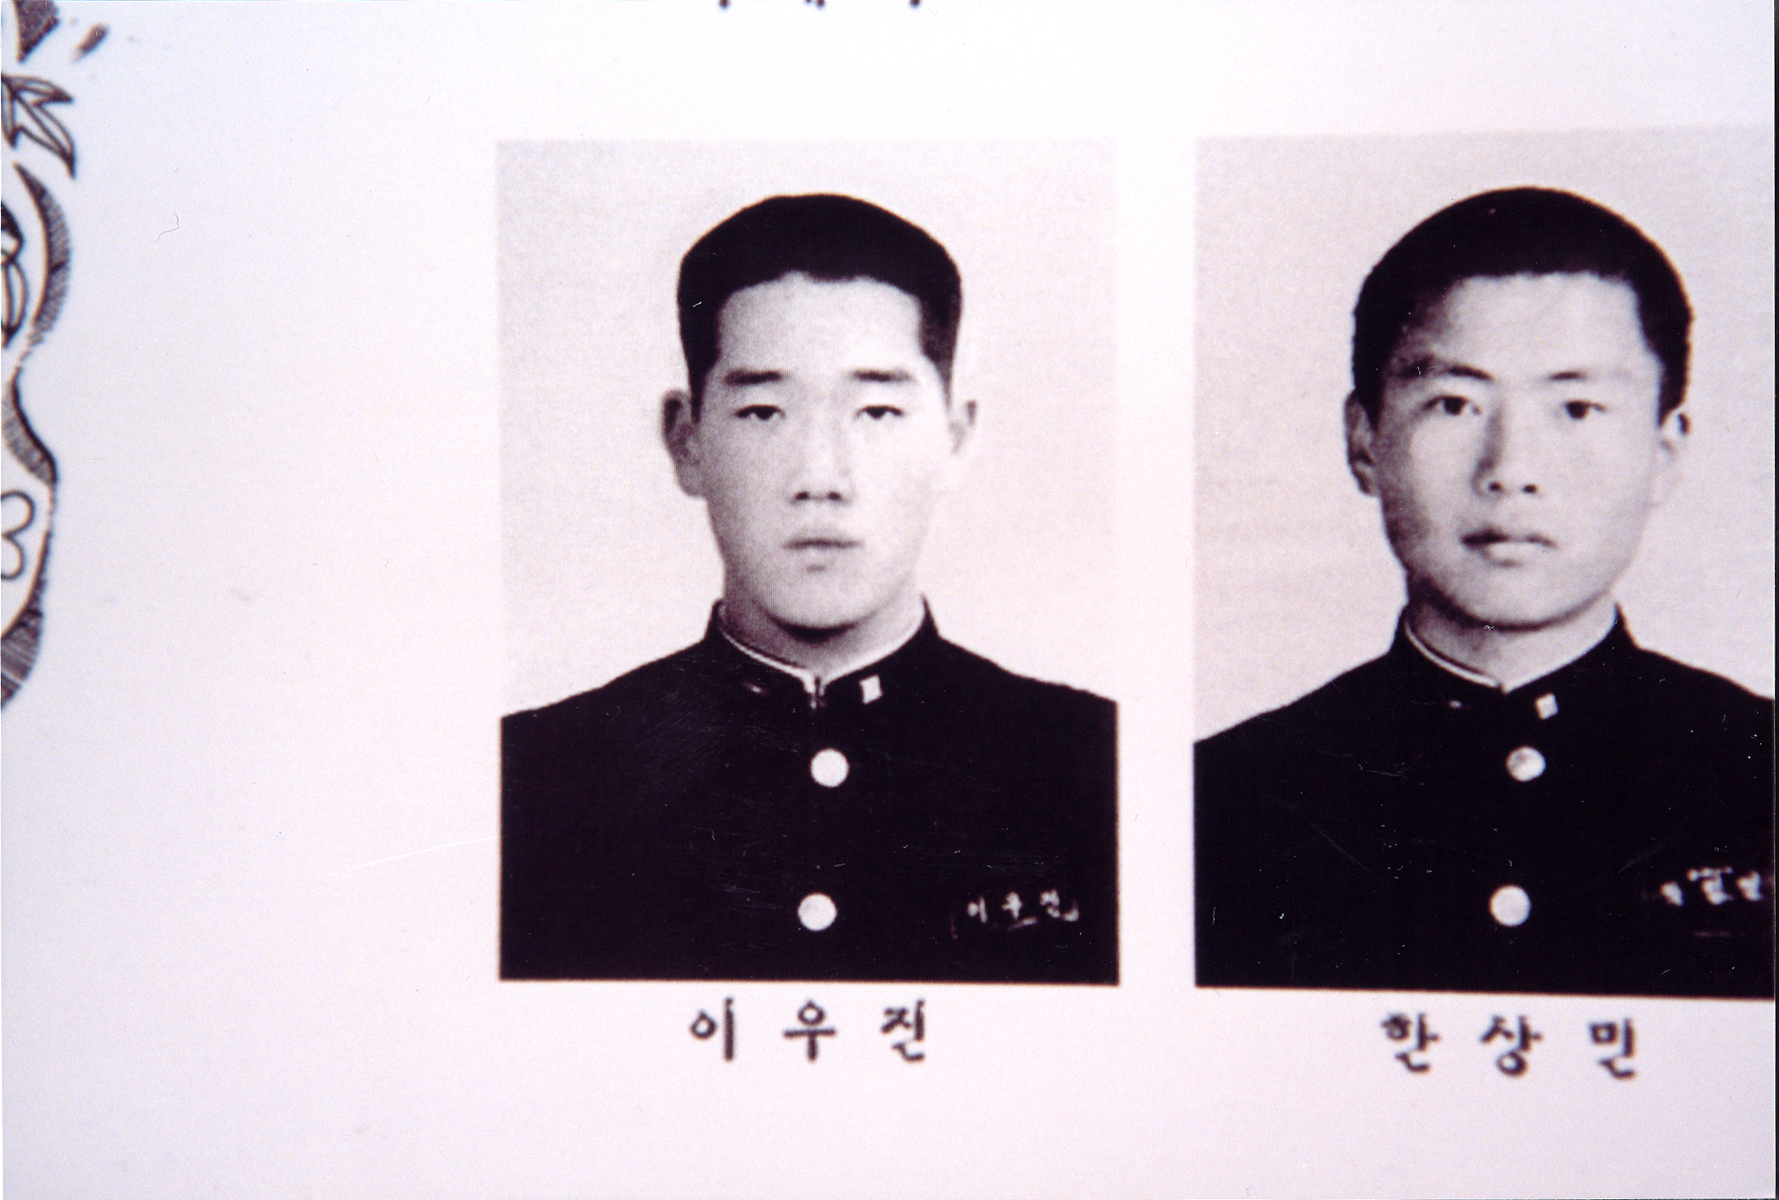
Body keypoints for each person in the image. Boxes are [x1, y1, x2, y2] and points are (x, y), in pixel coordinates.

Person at [502, 194, 1117, 983]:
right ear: (686, 443)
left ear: (954, 439)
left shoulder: (1096, 767)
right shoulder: (534, 779)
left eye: (877, 411)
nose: (821, 477)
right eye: (763, 412)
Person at [1195, 187, 1773, 997]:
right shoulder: (1225, 798)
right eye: (1455, 404)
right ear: (1363, 441)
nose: (1510, 469)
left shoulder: (1754, 769)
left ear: (1663, 451)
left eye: (1577, 408)